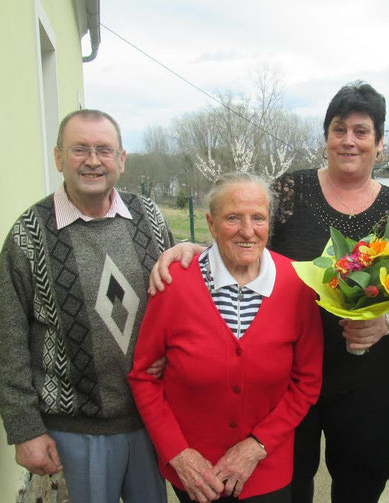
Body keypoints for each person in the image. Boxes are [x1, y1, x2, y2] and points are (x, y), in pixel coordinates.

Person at [149, 81, 389, 503]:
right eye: (338, 128)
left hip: (368, 378)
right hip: (285, 377)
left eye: (362, 131)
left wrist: (384, 323)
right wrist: (197, 249)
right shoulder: (292, 190)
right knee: (292, 485)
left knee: (362, 483)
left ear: (380, 143)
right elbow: (248, 239)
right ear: (326, 137)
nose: (349, 140)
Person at [0, 109, 173, 503]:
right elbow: (7, 340)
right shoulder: (30, 234)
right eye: (79, 150)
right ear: (58, 158)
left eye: (104, 150)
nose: (92, 160)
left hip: (151, 419)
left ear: (121, 160)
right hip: (72, 433)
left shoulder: (150, 217)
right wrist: (24, 430)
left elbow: (180, 303)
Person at [128, 172, 323, 503]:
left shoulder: (297, 284)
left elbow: (307, 382)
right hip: (194, 472)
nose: (247, 231)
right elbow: (143, 378)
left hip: (266, 468)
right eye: (233, 217)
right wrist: (177, 453)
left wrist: (256, 446)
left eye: (258, 218)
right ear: (211, 223)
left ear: (269, 222)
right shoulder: (174, 282)